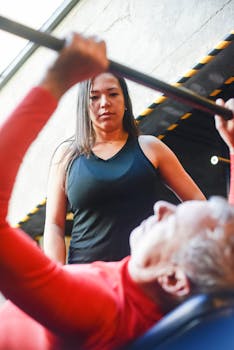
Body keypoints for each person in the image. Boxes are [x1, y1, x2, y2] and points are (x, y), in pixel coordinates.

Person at [0, 32, 233, 350]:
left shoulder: (95, 307)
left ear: (173, 279)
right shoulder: (156, 284)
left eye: (174, 220)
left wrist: (55, 81)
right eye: (93, 97)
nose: (162, 208)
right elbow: (222, 233)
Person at [43, 63, 205, 266]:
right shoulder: (66, 156)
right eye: (94, 97)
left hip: (145, 272)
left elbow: (199, 204)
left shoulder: (151, 148)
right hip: (88, 279)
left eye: (112, 94)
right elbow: (54, 226)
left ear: (125, 101)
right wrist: (56, 277)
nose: (104, 103)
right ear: (84, 104)